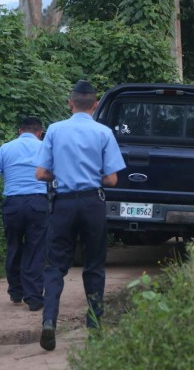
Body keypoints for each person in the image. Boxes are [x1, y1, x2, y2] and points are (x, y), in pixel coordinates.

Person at [34, 79, 126, 351]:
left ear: (70, 103)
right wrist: (92, 176)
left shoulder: (54, 130)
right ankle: (95, 325)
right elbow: (111, 180)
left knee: (55, 267)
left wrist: (61, 174)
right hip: (92, 203)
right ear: (95, 105)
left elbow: (40, 174)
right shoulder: (103, 132)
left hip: (62, 204)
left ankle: (49, 320)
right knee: (94, 265)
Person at [0, 117, 48, 311]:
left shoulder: (5, 148)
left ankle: (15, 290)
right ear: (39, 132)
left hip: (12, 204)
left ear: (19, 130)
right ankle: (34, 296)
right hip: (38, 202)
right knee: (35, 248)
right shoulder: (45, 147)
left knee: (14, 245)